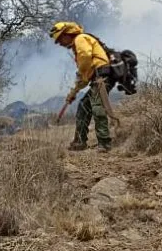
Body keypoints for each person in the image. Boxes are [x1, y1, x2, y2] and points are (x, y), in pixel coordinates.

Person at [49, 21, 115, 152]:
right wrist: (73, 92)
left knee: (97, 107)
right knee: (84, 106)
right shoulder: (78, 44)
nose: (60, 44)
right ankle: (79, 142)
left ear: (67, 34)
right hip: (96, 78)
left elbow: (85, 58)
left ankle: (105, 143)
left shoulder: (80, 38)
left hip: (101, 77)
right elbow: (84, 79)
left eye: (60, 39)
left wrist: (80, 73)